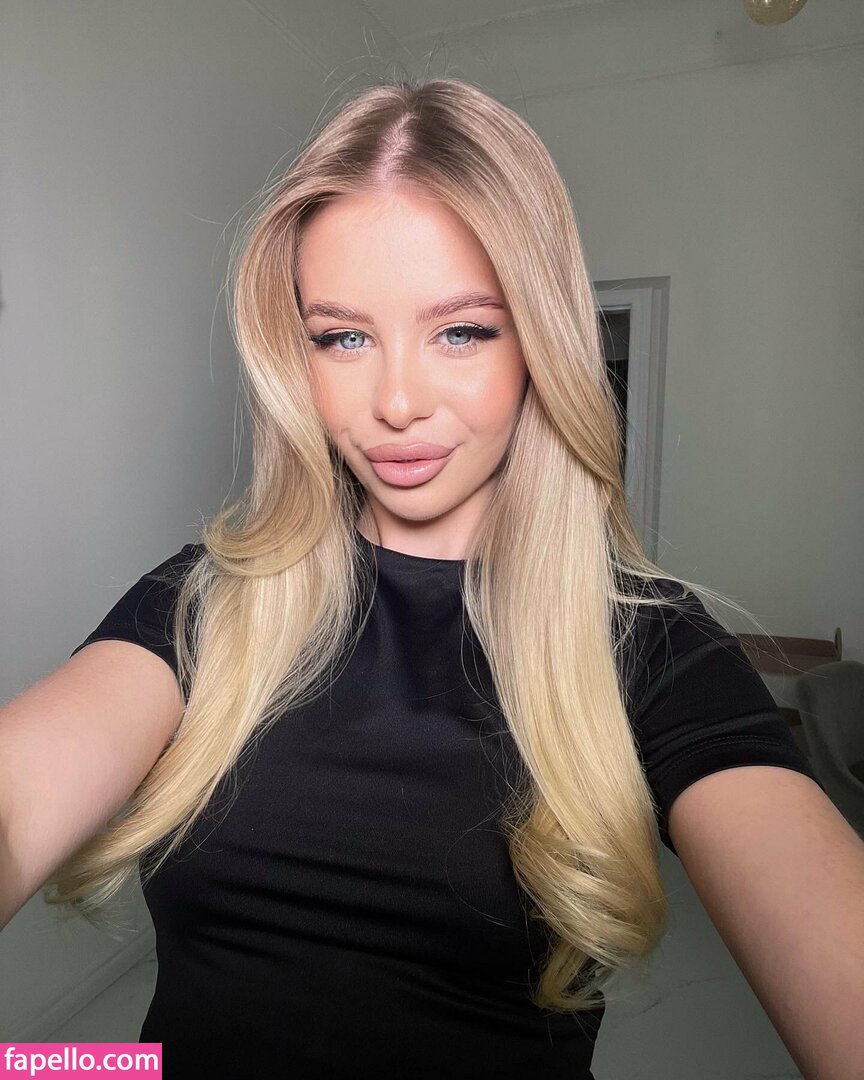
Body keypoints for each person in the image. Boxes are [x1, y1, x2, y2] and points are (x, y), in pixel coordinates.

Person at [3, 78, 859, 1079]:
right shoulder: (210, 598)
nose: (397, 401)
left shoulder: (651, 643)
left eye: (462, 330)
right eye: (343, 337)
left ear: (538, 342)